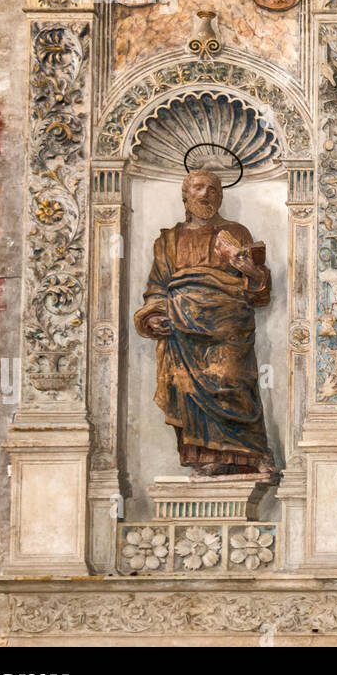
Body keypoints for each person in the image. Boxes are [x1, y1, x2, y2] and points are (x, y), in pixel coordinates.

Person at [134, 169, 275, 477]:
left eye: (212, 188)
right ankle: (205, 457)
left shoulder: (236, 231)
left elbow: (260, 292)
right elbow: (157, 288)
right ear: (186, 196)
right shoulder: (168, 240)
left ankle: (251, 454)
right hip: (181, 329)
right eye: (198, 188)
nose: (205, 193)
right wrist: (155, 317)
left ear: (220, 196)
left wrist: (250, 270)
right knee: (185, 388)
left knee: (233, 380)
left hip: (228, 326)